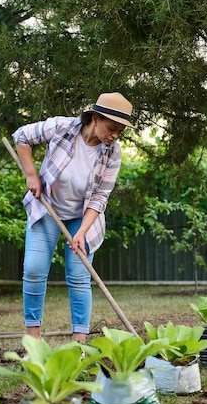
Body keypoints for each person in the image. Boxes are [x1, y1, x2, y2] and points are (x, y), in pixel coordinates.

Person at [11, 92, 134, 343]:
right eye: (112, 128)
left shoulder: (113, 153)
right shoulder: (62, 127)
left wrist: (81, 233)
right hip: (48, 208)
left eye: (120, 131)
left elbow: (100, 198)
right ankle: (33, 339)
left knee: (79, 275)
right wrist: (31, 174)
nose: (114, 136)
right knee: (34, 269)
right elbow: (21, 137)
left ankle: (80, 343)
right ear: (96, 118)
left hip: (83, 217)